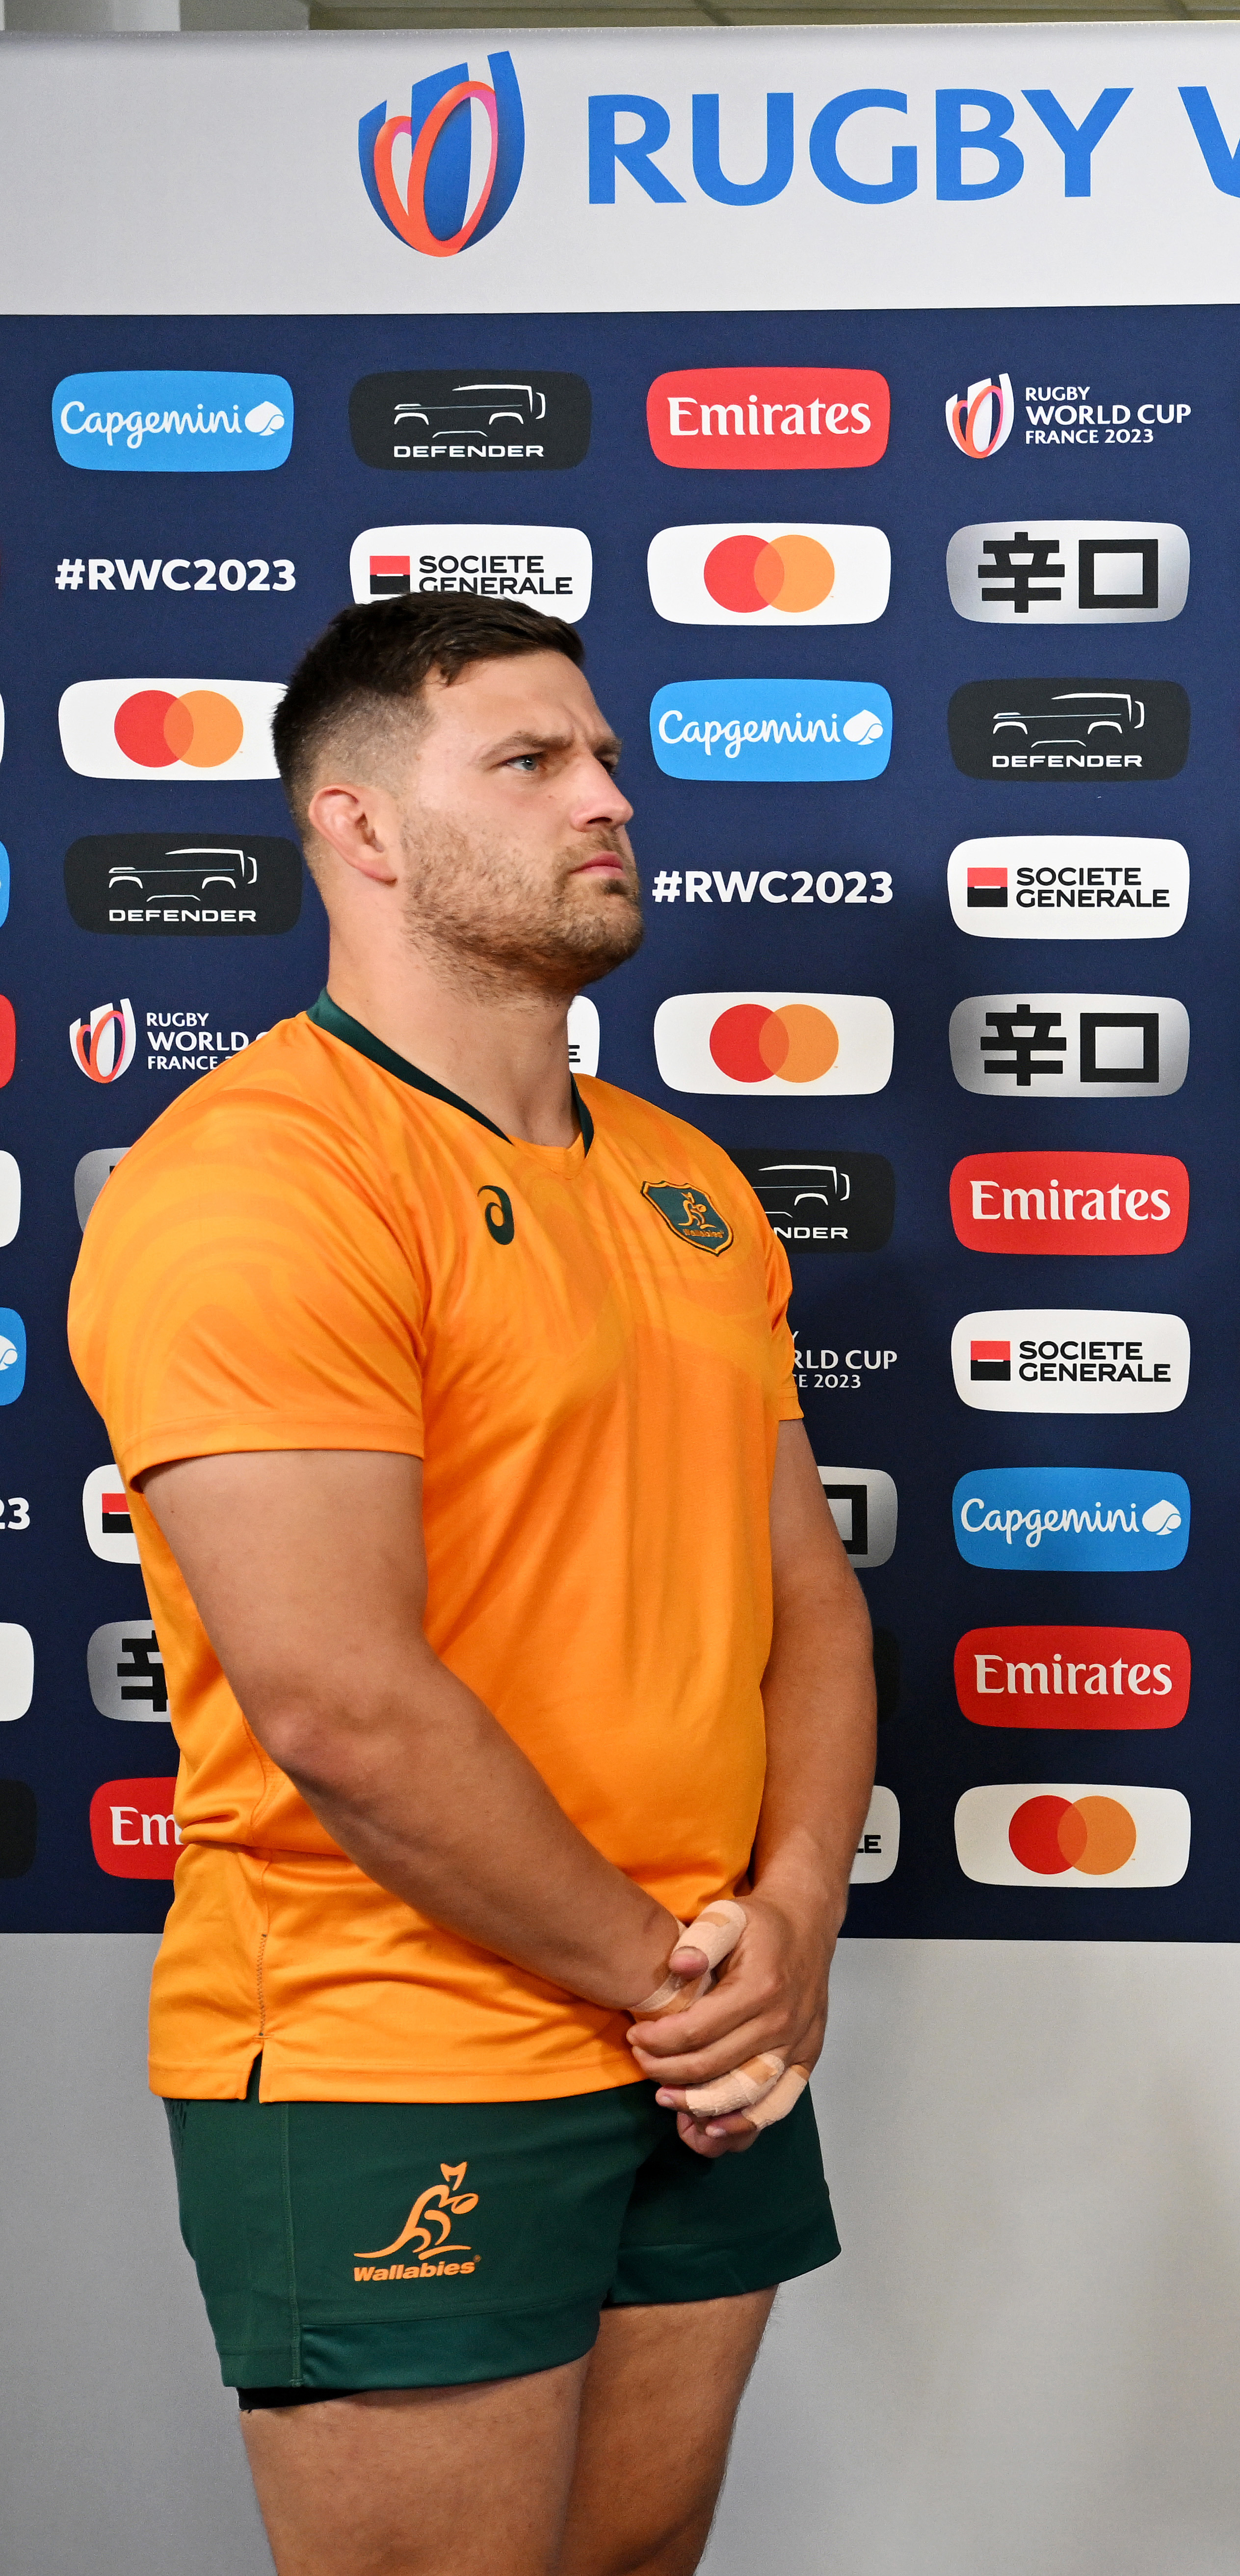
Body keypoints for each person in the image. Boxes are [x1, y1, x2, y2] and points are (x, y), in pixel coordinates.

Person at [69, 592, 873, 2576]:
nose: (605, 797)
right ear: (355, 826)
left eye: (604, 757)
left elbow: (810, 1602)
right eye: (527, 762)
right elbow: (342, 1700)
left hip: (695, 2026)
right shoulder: (261, 1176)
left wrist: (785, 1923)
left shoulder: (687, 1176)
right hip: (392, 2039)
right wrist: (666, 1978)